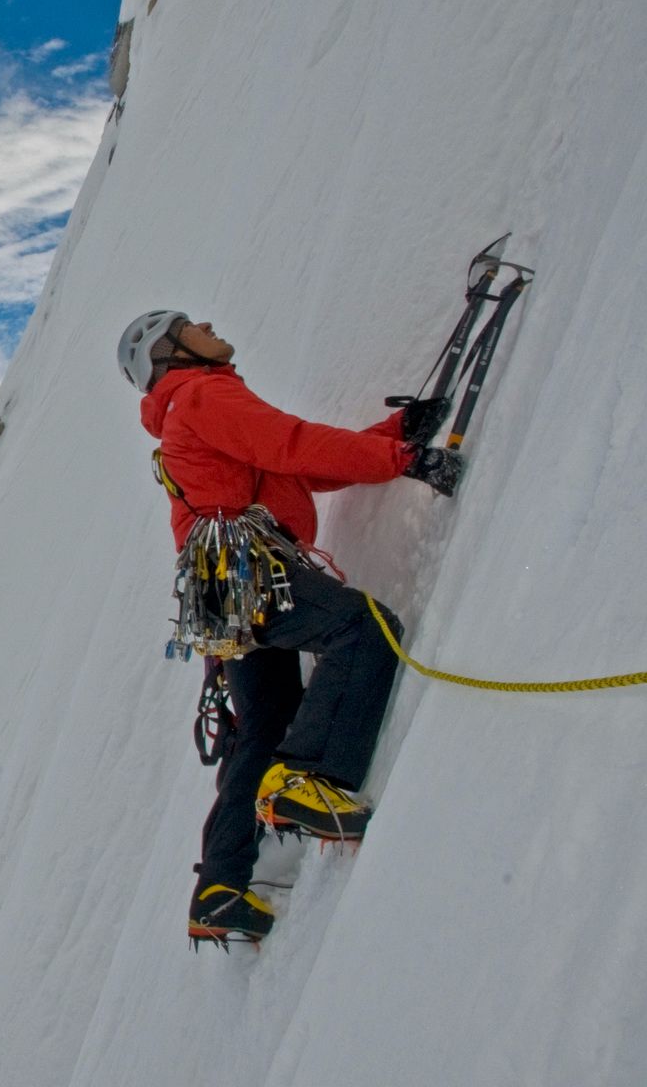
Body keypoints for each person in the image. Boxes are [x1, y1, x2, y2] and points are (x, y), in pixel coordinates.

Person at [117, 310, 459, 945]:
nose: (208, 324)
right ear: (170, 353)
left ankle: (220, 888)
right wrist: (407, 458)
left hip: (220, 592)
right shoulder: (203, 393)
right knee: (363, 630)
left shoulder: (185, 411)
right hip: (249, 568)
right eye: (189, 324)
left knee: (265, 724)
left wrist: (390, 436)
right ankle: (311, 780)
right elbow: (293, 444)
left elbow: (293, 467)